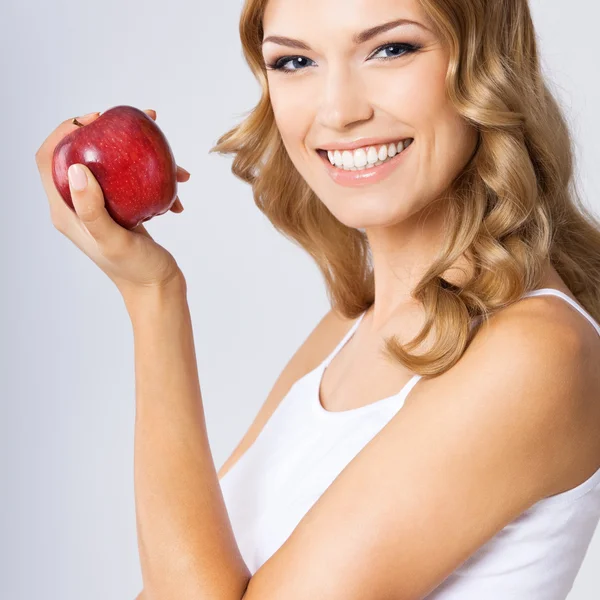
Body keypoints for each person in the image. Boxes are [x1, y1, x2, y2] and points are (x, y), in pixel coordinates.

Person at [35, 0, 600, 599]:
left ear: (487, 62)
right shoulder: (353, 322)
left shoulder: (537, 354)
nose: (338, 110)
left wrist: (153, 298)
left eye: (391, 49)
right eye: (295, 60)